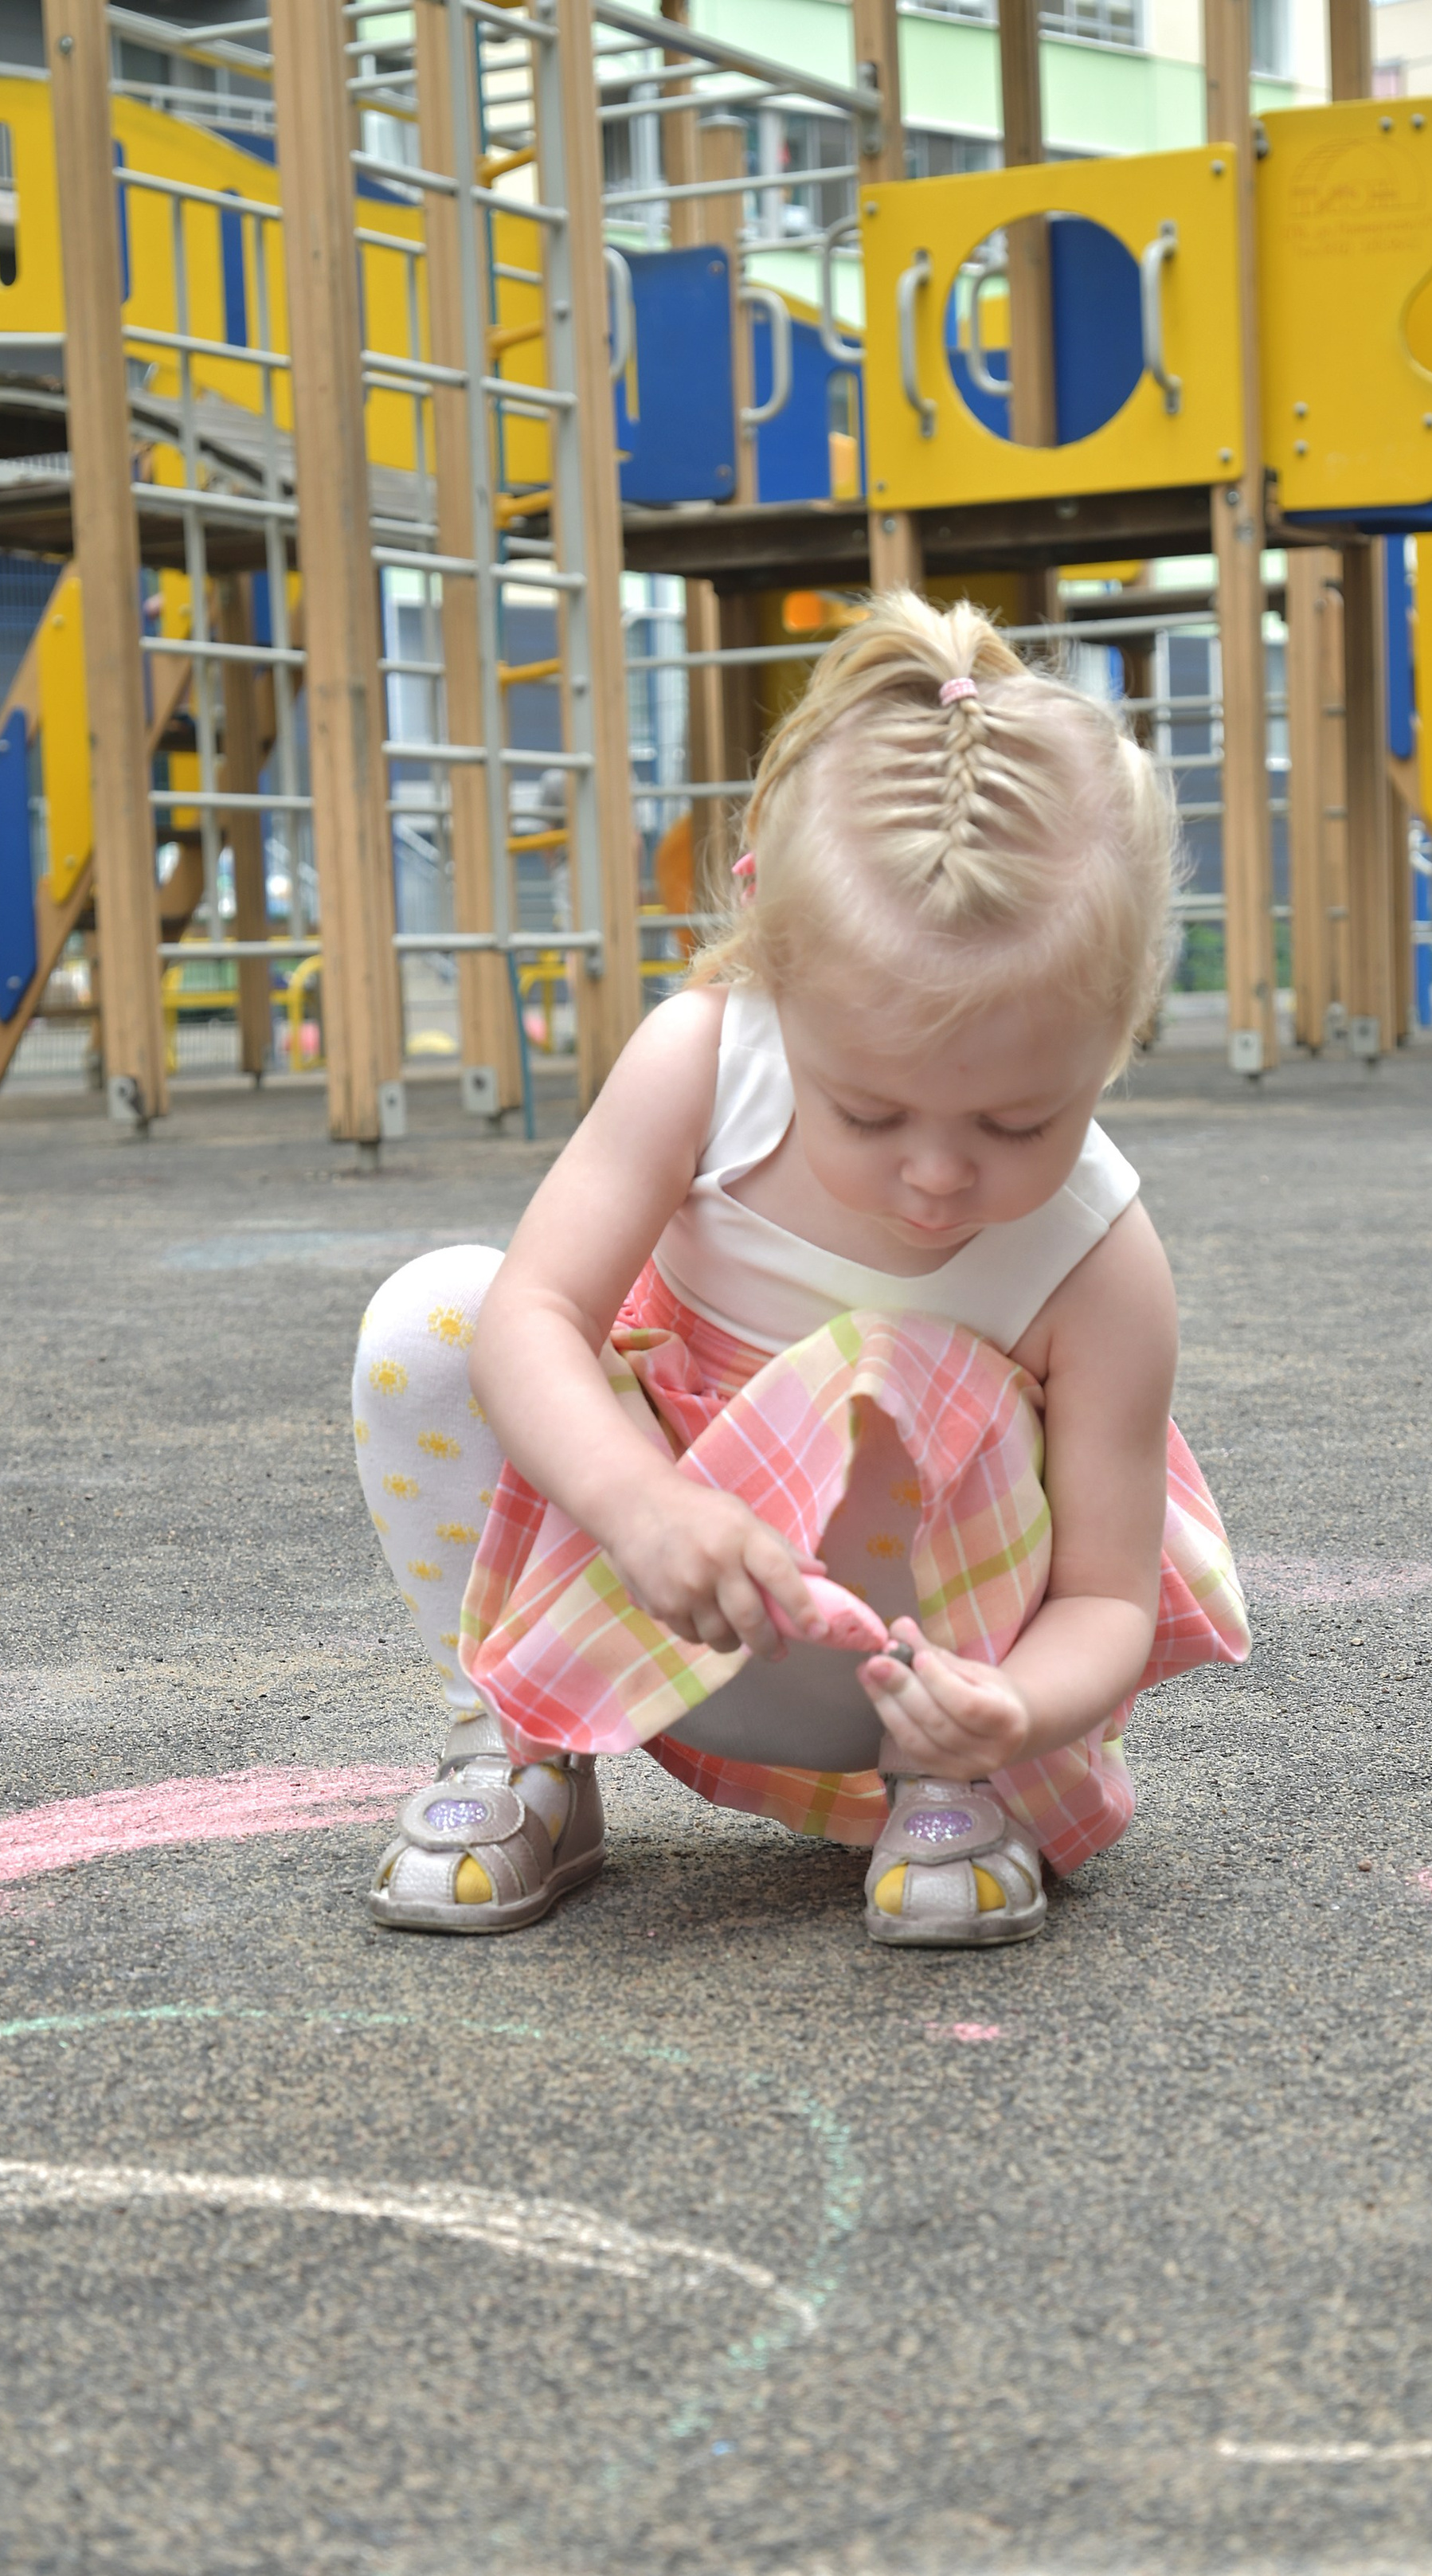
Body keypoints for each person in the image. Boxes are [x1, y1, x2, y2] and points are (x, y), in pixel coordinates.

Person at [352, 594, 1248, 1950]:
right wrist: (642, 1504)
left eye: (1019, 1124)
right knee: (441, 1314)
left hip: (907, 1685)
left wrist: (1020, 1713)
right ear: (774, 964)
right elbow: (532, 1318)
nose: (940, 1175)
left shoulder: (1097, 1259)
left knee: (894, 1368)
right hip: (639, 1592)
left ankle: (961, 1793)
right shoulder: (705, 1063)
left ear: (1119, 1031)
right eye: (870, 1113)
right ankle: (528, 1732)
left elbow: (1107, 1598)